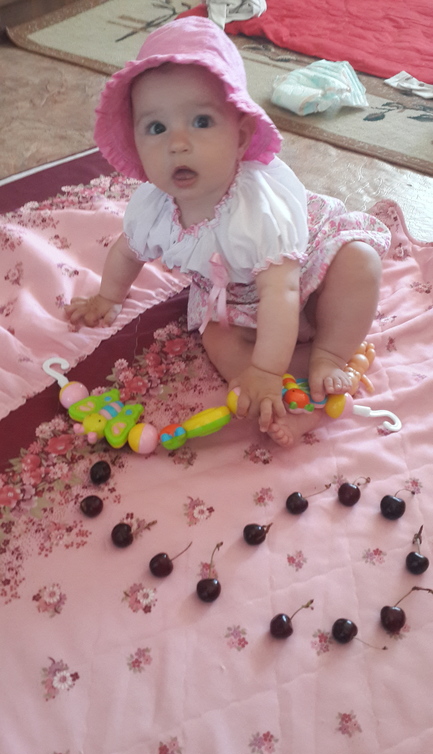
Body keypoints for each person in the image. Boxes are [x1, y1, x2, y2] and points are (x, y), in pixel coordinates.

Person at [65, 17, 390, 448]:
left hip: (303, 270)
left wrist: (267, 367)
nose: (177, 143)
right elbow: (128, 252)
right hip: (235, 299)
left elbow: (282, 291)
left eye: (201, 121)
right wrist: (108, 297)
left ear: (240, 137)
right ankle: (279, 393)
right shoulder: (152, 208)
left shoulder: (257, 210)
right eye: (157, 128)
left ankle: (328, 356)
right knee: (215, 339)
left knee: (359, 263)